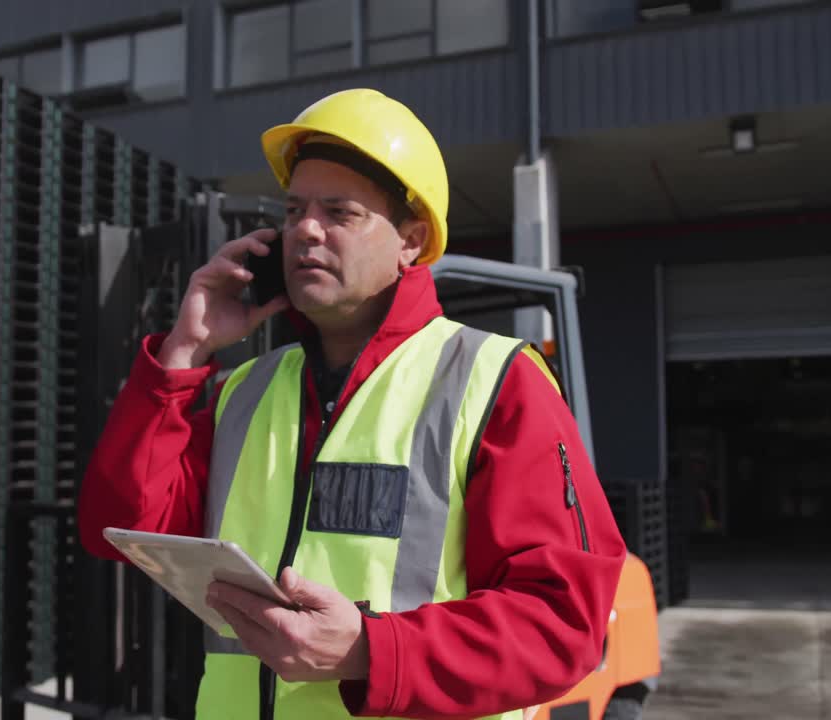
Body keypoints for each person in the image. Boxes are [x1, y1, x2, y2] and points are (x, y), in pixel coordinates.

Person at [78, 88, 627, 720]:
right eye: (293, 210)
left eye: (340, 212)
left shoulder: (497, 381)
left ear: (411, 242)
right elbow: (116, 528)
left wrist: (371, 651)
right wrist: (184, 351)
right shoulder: (245, 392)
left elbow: (565, 625)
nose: (305, 229)